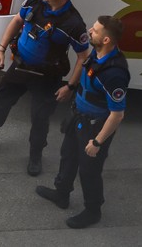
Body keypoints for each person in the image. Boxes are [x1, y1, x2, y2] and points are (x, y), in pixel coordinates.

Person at [0, 0, 90, 176]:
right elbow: (17, 21)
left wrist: (70, 86)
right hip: (20, 67)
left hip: (46, 78)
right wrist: (0, 50)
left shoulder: (73, 24)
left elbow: (84, 57)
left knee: (40, 119)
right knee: (0, 104)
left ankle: (35, 156)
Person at [36, 15, 129, 229]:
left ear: (106, 40)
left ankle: (92, 211)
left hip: (95, 127)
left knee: (89, 171)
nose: (90, 31)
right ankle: (62, 194)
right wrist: (70, 88)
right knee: (68, 156)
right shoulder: (96, 55)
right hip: (78, 117)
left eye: (95, 30)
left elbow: (117, 115)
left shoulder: (114, 74)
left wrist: (97, 142)